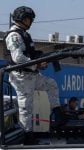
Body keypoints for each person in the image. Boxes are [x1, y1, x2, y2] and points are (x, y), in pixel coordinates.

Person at [3, 6, 60, 144]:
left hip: (32, 75)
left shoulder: (24, 34)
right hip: (22, 77)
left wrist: (41, 60)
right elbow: (18, 58)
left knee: (51, 84)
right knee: (26, 107)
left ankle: (58, 113)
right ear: (22, 19)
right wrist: (36, 64)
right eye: (29, 19)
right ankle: (27, 135)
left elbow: (31, 54)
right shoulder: (14, 35)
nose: (31, 22)